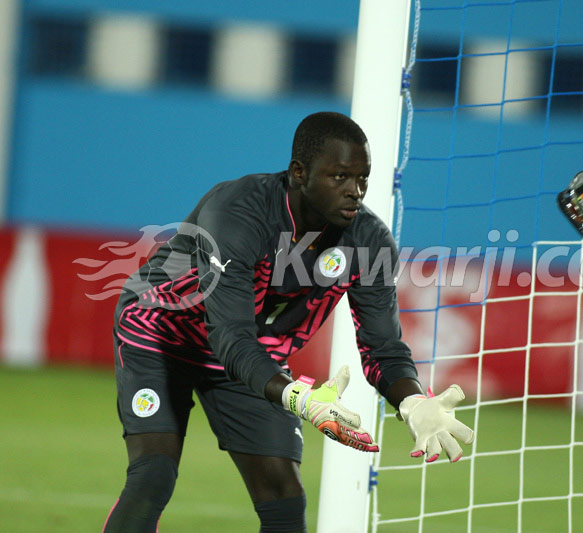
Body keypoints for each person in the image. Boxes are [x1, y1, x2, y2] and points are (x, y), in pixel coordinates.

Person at [102, 111, 474, 533]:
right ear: (299, 173)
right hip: (161, 335)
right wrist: (297, 397)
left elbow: (383, 349)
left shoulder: (369, 242)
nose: (355, 192)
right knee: (153, 475)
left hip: (248, 355)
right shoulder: (239, 212)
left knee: (284, 496)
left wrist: (412, 401)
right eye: (339, 177)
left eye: (362, 179)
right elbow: (229, 335)